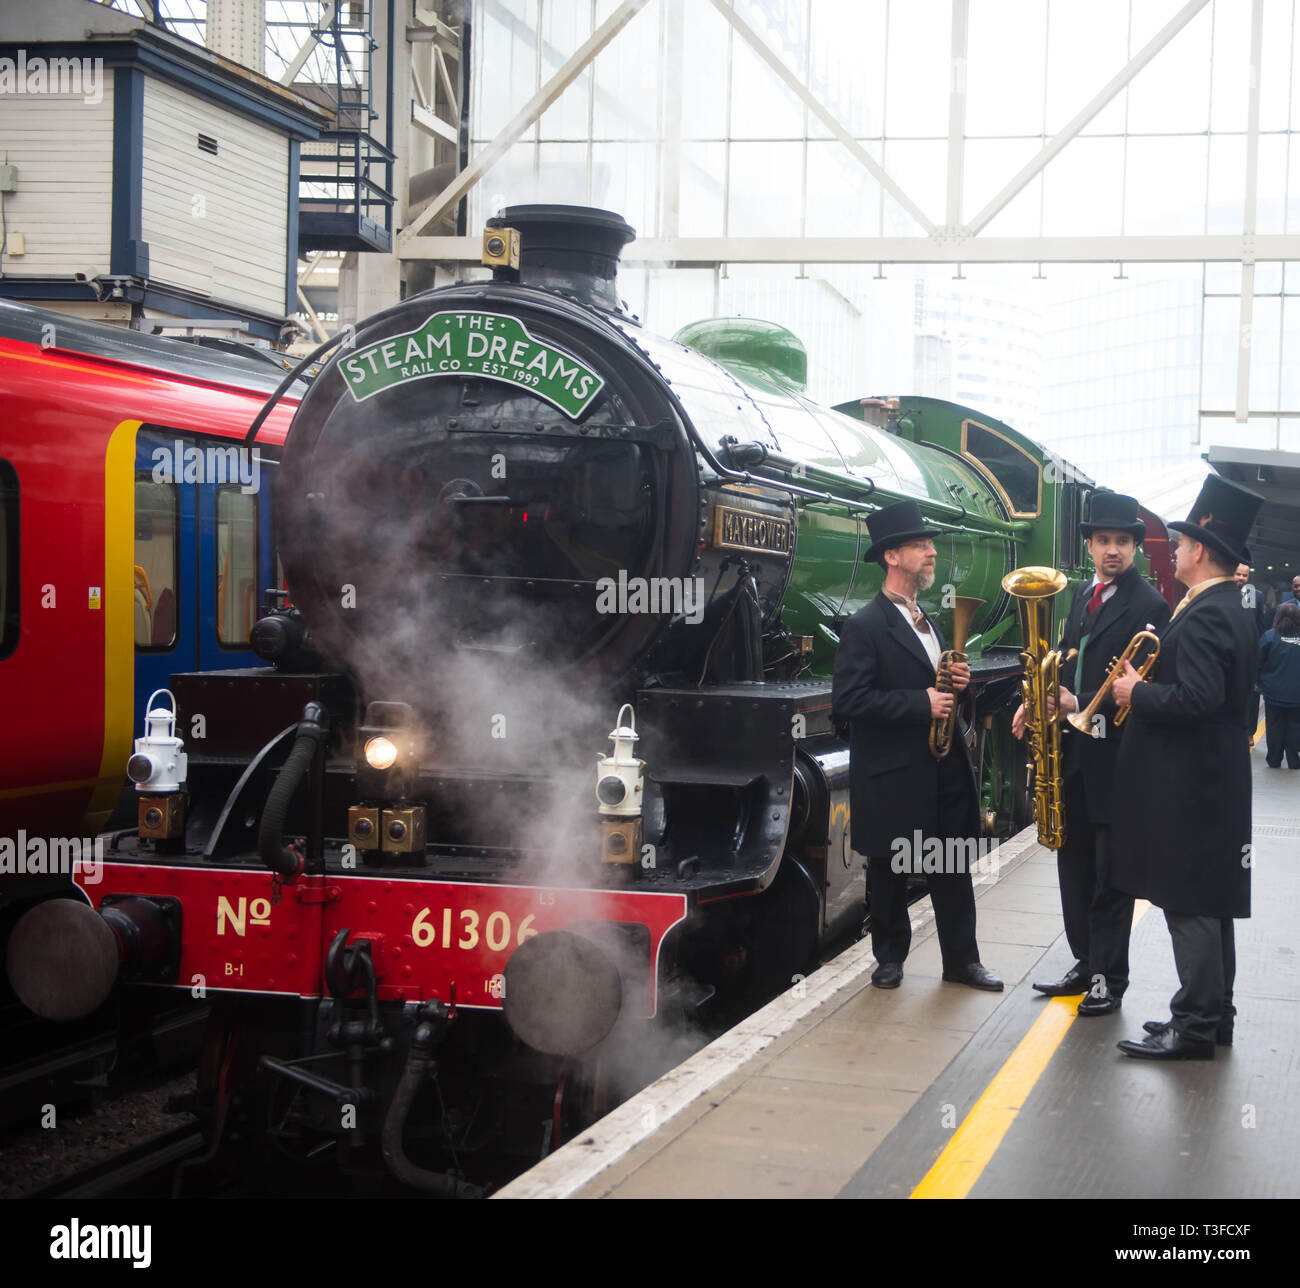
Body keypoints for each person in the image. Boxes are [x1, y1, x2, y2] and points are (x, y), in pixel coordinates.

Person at [1109, 474, 1263, 1060]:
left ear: (1199, 550)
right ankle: (1214, 1014)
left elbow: (1198, 699)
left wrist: (1134, 693)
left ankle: (1194, 1026)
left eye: (1178, 545)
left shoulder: (1204, 614)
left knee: (1189, 901)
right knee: (1212, 898)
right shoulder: (1230, 606)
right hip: (1215, 780)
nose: (1173, 552)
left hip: (1191, 785)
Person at [832, 498, 1002, 992]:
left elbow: (944, 695)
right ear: (891, 556)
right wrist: (918, 704)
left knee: (951, 865)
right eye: (920, 545)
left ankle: (963, 962)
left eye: (929, 544)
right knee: (889, 868)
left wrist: (960, 687)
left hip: (943, 767)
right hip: (895, 770)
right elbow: (849, 702)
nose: (931, 552)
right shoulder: (864, 627)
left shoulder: (930, 622)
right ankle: (889, 960)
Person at [1014, 491, 1170, 1017]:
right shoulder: (1082, 594)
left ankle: (1109, 979)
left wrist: (1077, 703)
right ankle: (1084, 962)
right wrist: (1037, 702)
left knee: (1109, 874)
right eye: (1103, 540)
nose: (1112, 551)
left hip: (1117, 758)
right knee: (1073, 863)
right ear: (1089, 546)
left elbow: (1142, 687)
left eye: (1122, 542)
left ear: (1135, 548)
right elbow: (1065, 660)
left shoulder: (1150, 605)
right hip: (1074, 752)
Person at [1258, 601, 1300, 769]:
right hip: (1297, 693)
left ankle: (1274, 759)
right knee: (1294, 726)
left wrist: (1259, 683)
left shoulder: (1269, 636)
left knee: (1274, 726)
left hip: (1273, 691)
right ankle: (1294, 760)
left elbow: (1257, 662)